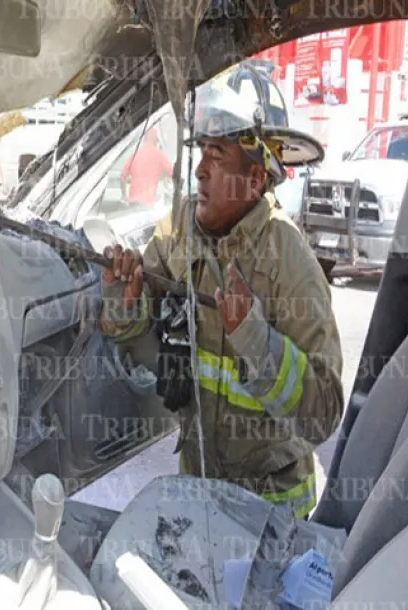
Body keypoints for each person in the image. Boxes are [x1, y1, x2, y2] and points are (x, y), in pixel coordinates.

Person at [99, 77, 344, 519]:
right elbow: (138, 332)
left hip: (269, 511)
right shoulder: (179, 232)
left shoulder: (289, 260)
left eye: (217, 154)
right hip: (199, 488)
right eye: (201, 151)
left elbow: (322, 416)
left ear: (254, 177)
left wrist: (256, 340)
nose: (199, 170)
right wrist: (122, 302)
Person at [120, 128, 174, 206]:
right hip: (147, 204)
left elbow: (122, 176)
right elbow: (173, 173)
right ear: (155, 140)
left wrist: (124, 195)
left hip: (133, 202)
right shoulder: (158, 155)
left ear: (144, 139)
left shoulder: (135, 154)